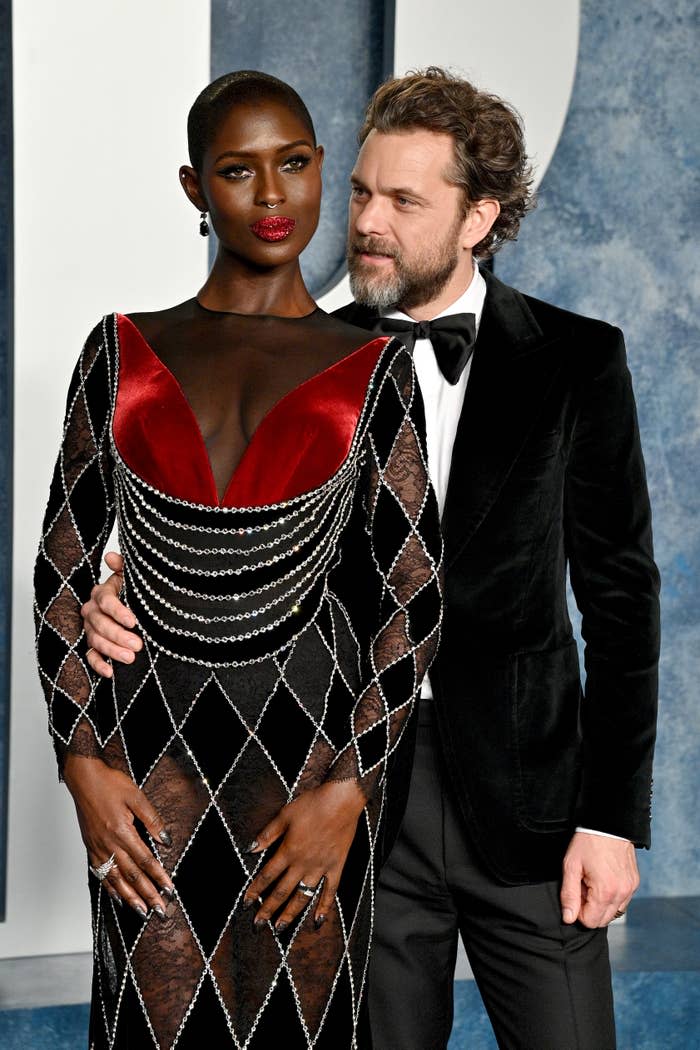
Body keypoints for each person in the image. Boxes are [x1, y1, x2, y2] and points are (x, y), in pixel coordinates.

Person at [81, 68, 661, 1049]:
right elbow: (224, 551)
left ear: (478, 217)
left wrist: (611, 820)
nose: (364, 221)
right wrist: (119, 594)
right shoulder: (296, 357)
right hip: (344, 793)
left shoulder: (577, 361)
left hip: (528, 804)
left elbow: (621, 602)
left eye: (402, 200)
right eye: (358, 192)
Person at [33, 70, 442, 1049]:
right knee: (148, 1020)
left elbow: (415, 595)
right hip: (147, 749)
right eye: (237, 171)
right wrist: (79, 763)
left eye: (294, 164)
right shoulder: (120, 352)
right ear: (193, 188)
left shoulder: (374, 365)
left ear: (320, 169)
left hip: (308, 754)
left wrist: (350, 789)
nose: (272, 197)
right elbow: (59, 575)